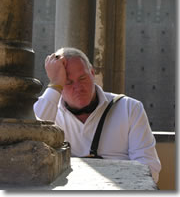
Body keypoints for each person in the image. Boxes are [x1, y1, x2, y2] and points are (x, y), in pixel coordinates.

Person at [33, 47, 161, 183]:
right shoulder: (50, 111)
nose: (78, 87)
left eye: (82, 78)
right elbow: (32, 135)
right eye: (68, 82)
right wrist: (54, 85)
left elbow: (150, 169)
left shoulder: (130, 108)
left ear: (93, 73)